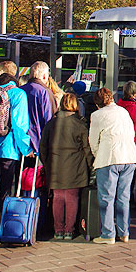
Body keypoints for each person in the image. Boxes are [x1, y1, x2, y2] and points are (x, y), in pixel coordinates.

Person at [0, 60, 32, 243]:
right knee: (5, 189)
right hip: (8, 149)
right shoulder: (18, 94)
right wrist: (26, 148)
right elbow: (19, 125)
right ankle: (0, 227)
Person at [88, 87, 136, 244]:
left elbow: (93, 140)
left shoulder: (97, 115)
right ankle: (124, 233)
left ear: (97, 104)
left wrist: (98, 154)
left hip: (109, 157)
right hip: (129, 157)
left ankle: (108, 233)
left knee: (107, 197)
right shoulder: (123, 112)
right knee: (124, 196)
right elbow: (131, 133)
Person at [39, 93, 93, 239]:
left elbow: (43, 147)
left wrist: (47, 163)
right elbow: (87, 149)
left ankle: (58, 230)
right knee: (71, 197)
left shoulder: (51, 124)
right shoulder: (80, 124)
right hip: (75, 166)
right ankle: (69, 230)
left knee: (57, 197)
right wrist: (91, 166)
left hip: (55, 166)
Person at [20, 61, 54, 154]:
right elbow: (48, 118)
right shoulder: (44, 91)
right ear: (44, 76)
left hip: (21, 141)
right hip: (38, 140)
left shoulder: (20, 90)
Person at [116, 81, 136, 153]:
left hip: (119, 141)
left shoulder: (118, 105)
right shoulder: (133, 107)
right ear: (135, 93)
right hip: (132, 142)